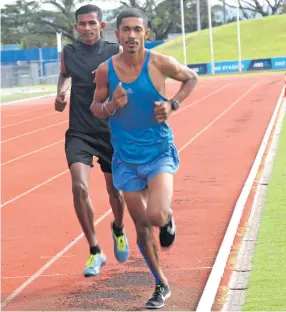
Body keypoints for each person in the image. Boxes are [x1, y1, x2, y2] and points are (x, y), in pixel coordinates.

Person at [90, 8, 199, 309]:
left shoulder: (160, 63)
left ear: (146, 35)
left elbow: (191, 78)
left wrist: (173, 104)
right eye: (126, 30)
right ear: (117, 34)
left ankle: (167, 217)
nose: (131, 36)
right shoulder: (105, 70)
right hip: (125, 158)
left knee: (155, 216)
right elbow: (95, 107)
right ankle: (161, 284)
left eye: (137, 30)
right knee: (140, 227)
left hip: (158, 153)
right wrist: (112, 104)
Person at [54, 4, 129, 278]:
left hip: (110, 132)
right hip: (79, 132)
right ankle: (95, 250)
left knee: (116, 192)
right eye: (82, 24)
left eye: (91, 23)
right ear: (76, 27)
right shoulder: (69, 53)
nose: (86, 28)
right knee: (79, 187)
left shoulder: (113, 52)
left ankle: (118, 229)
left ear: (102, 25)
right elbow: (64, 75)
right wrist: (61, 93)